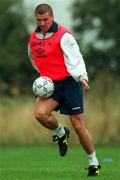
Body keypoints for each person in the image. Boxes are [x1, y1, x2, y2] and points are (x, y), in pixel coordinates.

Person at [28, 3, 101, 176]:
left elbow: (76, 57)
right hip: (50, 84)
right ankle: (61, 133)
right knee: (40, 114)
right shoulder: (34, 36)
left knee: (77, 124)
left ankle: (94, 163)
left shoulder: (64, 36)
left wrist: (83, 77)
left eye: (45, 19)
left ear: (52, 17)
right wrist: (41, 76)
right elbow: (32, 55)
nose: (43, 23)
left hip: (69, 82)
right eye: (39, 20)